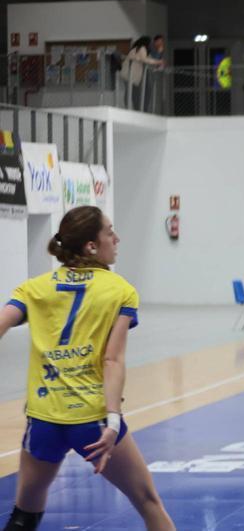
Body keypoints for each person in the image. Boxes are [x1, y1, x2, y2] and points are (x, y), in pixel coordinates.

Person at [0, 206, 175, 531]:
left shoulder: (33, 288)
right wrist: (112, 419)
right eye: (110, 231)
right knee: (148, 502)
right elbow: (112, 360)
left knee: (25, 513)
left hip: (45, 417)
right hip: (93, 421)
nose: (117, 238)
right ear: (91, 246)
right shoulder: (121, 291)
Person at [120, 37, 163, 111]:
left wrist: (158, 57)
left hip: (131, 76)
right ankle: (130, 108)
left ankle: (132, 108)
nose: (151, 45)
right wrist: (158, 62)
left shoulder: (138, 49)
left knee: (132, 93)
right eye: (150, 43)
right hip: (130, 76)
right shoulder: (142, 48)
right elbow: (145, 60)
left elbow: (149, 59)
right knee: (132, 93)